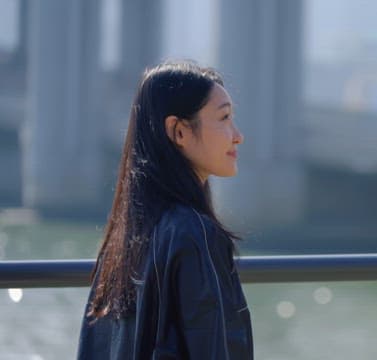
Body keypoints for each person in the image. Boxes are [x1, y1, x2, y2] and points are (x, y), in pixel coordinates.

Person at [77, 61, 252, 359]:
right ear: (178, 131)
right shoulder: (195, 234)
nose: (237, 135)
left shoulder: (125, 237)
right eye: (224, 118)